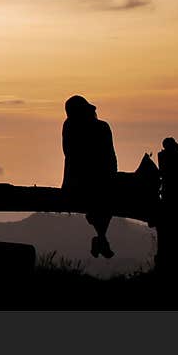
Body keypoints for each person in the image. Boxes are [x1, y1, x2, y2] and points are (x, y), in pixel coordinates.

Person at [61, 95, 117, 258]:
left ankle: (101, 239)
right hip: (91, 182)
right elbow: (110, 157)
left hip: (76, 182)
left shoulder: (70, 126)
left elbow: (69, 154)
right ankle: (101, 238)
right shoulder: (101, 127)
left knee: (102, 198)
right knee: (105, 199)